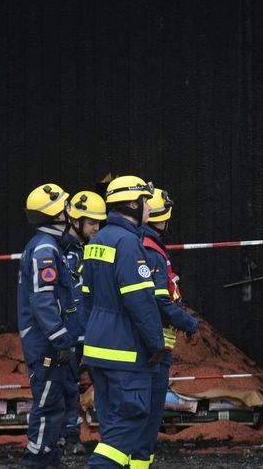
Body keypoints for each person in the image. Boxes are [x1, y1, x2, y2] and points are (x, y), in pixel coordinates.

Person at [81, 176, 164, 468]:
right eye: (145, 201)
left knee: (112, 423)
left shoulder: (97, 240)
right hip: (125, 353)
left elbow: (86, 299)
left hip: (98, 350)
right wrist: (156, 343)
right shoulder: (128, 243)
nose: (149, 209)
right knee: (130, 420)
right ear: (132, 203)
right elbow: (141, 300)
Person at [133, 187, 199, 469]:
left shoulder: (142, 245)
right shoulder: (152, 251)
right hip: (154, 347)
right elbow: (160, 301)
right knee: (149, 411)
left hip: (149, 344)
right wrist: (188, 322)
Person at [17, 183, 78, 469]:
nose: (70, 212)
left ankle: (49, 457)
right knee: (47, 404)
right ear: (55, 214)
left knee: (57, 402)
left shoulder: (52, 246)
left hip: (49, 341)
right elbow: (42, 301)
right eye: (66, 207)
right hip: (45, 343)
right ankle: (36, 461)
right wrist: (61, 338)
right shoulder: (45, 249)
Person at [58, 190, 107, 455]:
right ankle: (68, 437)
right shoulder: (57, 251)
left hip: (93, 331)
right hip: (68, 333)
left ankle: (105, 439)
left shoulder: (92, 249)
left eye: (99, 223)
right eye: (91, 223)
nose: (96, 228)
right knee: (66, 386)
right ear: (75, 221)